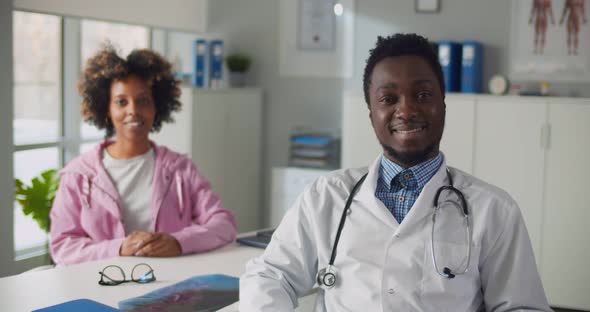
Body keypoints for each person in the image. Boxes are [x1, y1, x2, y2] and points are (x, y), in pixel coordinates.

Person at [240, 34, 551, 311]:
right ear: (371, 114)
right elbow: (271, 275)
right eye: (388, 99)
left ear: (443, 104)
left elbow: (522, 306)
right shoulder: (326, 196)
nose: (406, 110)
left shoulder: (493, 209)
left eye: (423, 95)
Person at [50, 46, 237, 265]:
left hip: (171, 286)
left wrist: (178, 242)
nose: (133, 110)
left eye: (143, 100)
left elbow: (224, 225)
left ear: (157, 106)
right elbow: (62, 246)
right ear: (106, 109)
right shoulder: (79, 175)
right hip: (101, 285)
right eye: (121, 102)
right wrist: (119, 248)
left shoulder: (180, 169)